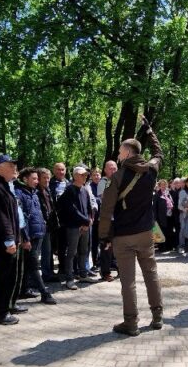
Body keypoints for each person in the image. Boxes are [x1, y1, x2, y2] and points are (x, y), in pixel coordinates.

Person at [99, 119, 165, 336]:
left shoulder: (115, 178)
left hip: (124, 236)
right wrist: (149, 131)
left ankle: (131, 323)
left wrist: (104, 237)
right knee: (151, 275)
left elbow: (106, 211)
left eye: (120, 150)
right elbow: (159, 153)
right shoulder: (151, 169)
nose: (118, 154)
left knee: (128, 282)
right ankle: (157, 317)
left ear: (127, 153)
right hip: (146, 233)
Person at [0, 154, 26, 324]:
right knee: (5, 276)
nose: (15, 168)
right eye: (10, 165)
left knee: (11, 275)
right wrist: (9, 240)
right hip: (4, 240)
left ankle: (8, 305)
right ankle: (1, 313)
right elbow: (1, 217)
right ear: (0, 168)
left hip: (11, 238)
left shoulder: (4, 186)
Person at [16, 167, 56, 305]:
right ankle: (44, 293)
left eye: (37, 179)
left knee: (29, 263)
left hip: (38, 233)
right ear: (25, 179)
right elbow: (21, 219)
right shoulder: (19, 193)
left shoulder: (33, 192)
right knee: (33, 263)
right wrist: (25, 238)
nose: (37, 181)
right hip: (29, 236)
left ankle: (24, 289)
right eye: (34, 179)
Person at [57, 165, 97, 290]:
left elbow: (89, 207)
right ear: (75, 176)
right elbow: (71, 210)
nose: (85, 176)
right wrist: (85, 221)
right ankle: (69, 279)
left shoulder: (85, 189)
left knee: (84, 251)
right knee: (71, 253)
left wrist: (90, 219)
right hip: (73, 227)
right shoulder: (69, 190)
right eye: (82, 175)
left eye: (86, 175)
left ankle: (83, 274)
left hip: (85, 226)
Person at [37, 168, 58, 282]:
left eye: (48, 177)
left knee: (47, 251)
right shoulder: (36, 191)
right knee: (37, 253)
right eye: (44, 178)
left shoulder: (47, 190)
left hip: (49, 226)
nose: (47, 180)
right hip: (40, 226)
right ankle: (34, 277)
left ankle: (47, 273)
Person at [153, 179, 174, 252]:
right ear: (159, 186)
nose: (164, 186)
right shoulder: (157, 195)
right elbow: (154, 208)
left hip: (169, 216)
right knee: (161, 232)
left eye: (165, 184)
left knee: (168, 231)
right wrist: (155, 218)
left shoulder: (168, 194)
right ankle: (162, 248)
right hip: (161, 217)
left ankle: (169, 247)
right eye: (162, 185)